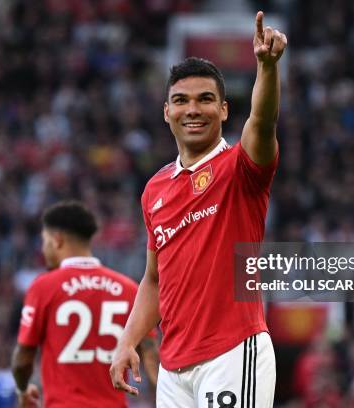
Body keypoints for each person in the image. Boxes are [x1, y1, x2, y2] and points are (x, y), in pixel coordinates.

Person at [110, 10, 287, 408]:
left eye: (206, 99)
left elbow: (263, 119)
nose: (193, 109)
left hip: (231, 352)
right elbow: (154, 280)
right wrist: (127, 340)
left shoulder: (241, 168)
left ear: (224, 110)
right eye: (181, 101)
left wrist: (267, 67)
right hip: (174, 370)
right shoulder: (155, 189)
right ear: (166, 112)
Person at [11, 200, 159, 408]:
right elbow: (151, 354)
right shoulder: (129, 289)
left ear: (57, 240)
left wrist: (23, 390)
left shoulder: (44, 287)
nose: (43, 250)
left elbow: (24, 358)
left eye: (44, 241)